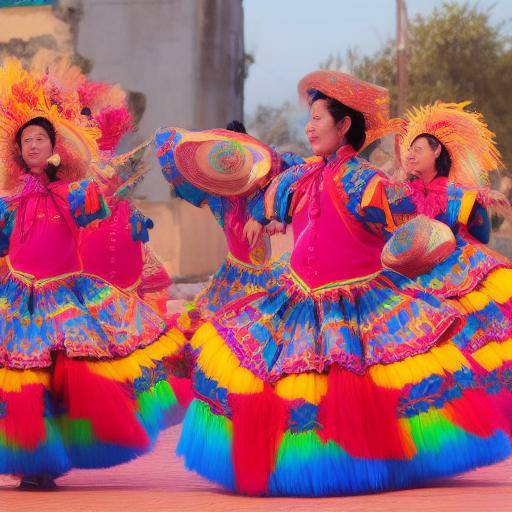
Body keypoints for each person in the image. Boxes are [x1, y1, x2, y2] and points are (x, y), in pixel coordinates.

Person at [175, 70, 511, 497]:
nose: (310, 127)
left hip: (355, 301)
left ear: (344, 124)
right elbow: (272, 196)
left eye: (318, 118)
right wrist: (262, 217)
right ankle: (296, 464)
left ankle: (358, 462)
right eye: (309, 118)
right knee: (263, 373)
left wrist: (463, 204)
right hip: (298, 297)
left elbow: (411, 209)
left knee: (355, 385)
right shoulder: (303, 175)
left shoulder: (365, 180)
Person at [0, 58, 187, 490]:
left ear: (54, 148)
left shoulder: (74, 191)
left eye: (40, 139)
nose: (32, 145)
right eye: (26, 139)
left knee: (62, 378)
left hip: (63, 298)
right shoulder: (10, 200)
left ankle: (52, 456)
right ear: (18, 150)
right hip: (17, 298)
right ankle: (31, 458)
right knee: (23, 379)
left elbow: (96, 211)